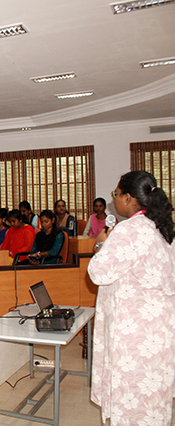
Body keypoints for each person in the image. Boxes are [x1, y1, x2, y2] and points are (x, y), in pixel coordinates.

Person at [88, 171, 175, 426]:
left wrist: (101, 243)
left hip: (135, 332)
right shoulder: (160, 227)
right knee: (153, 400)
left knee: (133, 400)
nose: (114, 201)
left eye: (116, 195)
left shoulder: (130, 230)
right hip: (158, 328)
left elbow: (98, 272)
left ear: (128, 197)